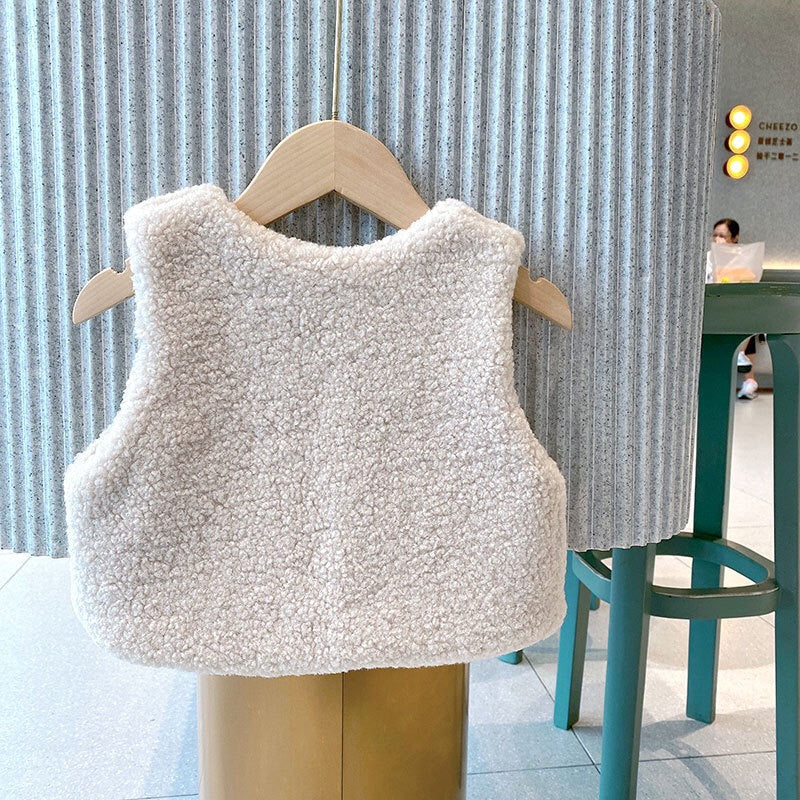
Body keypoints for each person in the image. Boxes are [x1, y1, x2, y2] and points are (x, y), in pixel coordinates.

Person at [707, 218, 758, 399]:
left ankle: (747, 374)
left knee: (746, 316)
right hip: (713, 306)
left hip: (735, 307)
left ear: (734, 238)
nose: (717, 239)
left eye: (722, 236)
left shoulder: (743, 259)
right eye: (715, 235)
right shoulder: (708, 258)